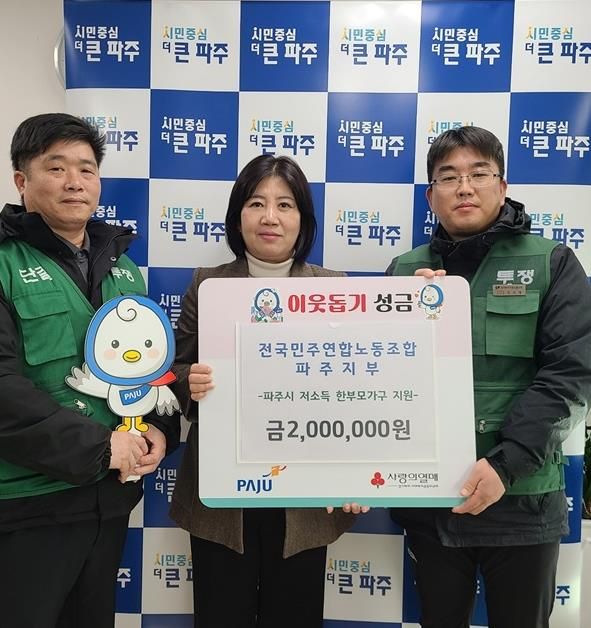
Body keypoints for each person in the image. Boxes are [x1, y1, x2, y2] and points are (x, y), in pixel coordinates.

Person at [385, 126, 591, 628]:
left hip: (522, 497)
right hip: (432, 500)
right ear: (431, 196)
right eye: (448, 177)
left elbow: (570, 372)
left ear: (502, 186)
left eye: (479, 174)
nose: (464, 187)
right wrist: (412, 318)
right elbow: (381, 380)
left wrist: (506, 464)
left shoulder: (551, 262)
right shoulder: (404, 271)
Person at [0, 113, 180, 628]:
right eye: (56, 168)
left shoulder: (123, 268)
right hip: (28, 507)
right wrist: (100, 446)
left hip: (109, 500)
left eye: (86, 168)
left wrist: (158, 429)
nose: (75, 181)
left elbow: (151, 373)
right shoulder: (4, 263)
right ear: (22, 180)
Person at [169, 154, 360, 628]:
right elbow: (174, 372)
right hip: (222, 492)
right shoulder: (208, 283)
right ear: (238, 217)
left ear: (303, 220)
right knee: (221, 614)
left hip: (306, 495)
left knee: (294, 615)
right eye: (256, 203)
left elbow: (356, 389)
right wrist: (191, 381)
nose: (270, 217)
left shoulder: (333, 288)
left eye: (285, 205)